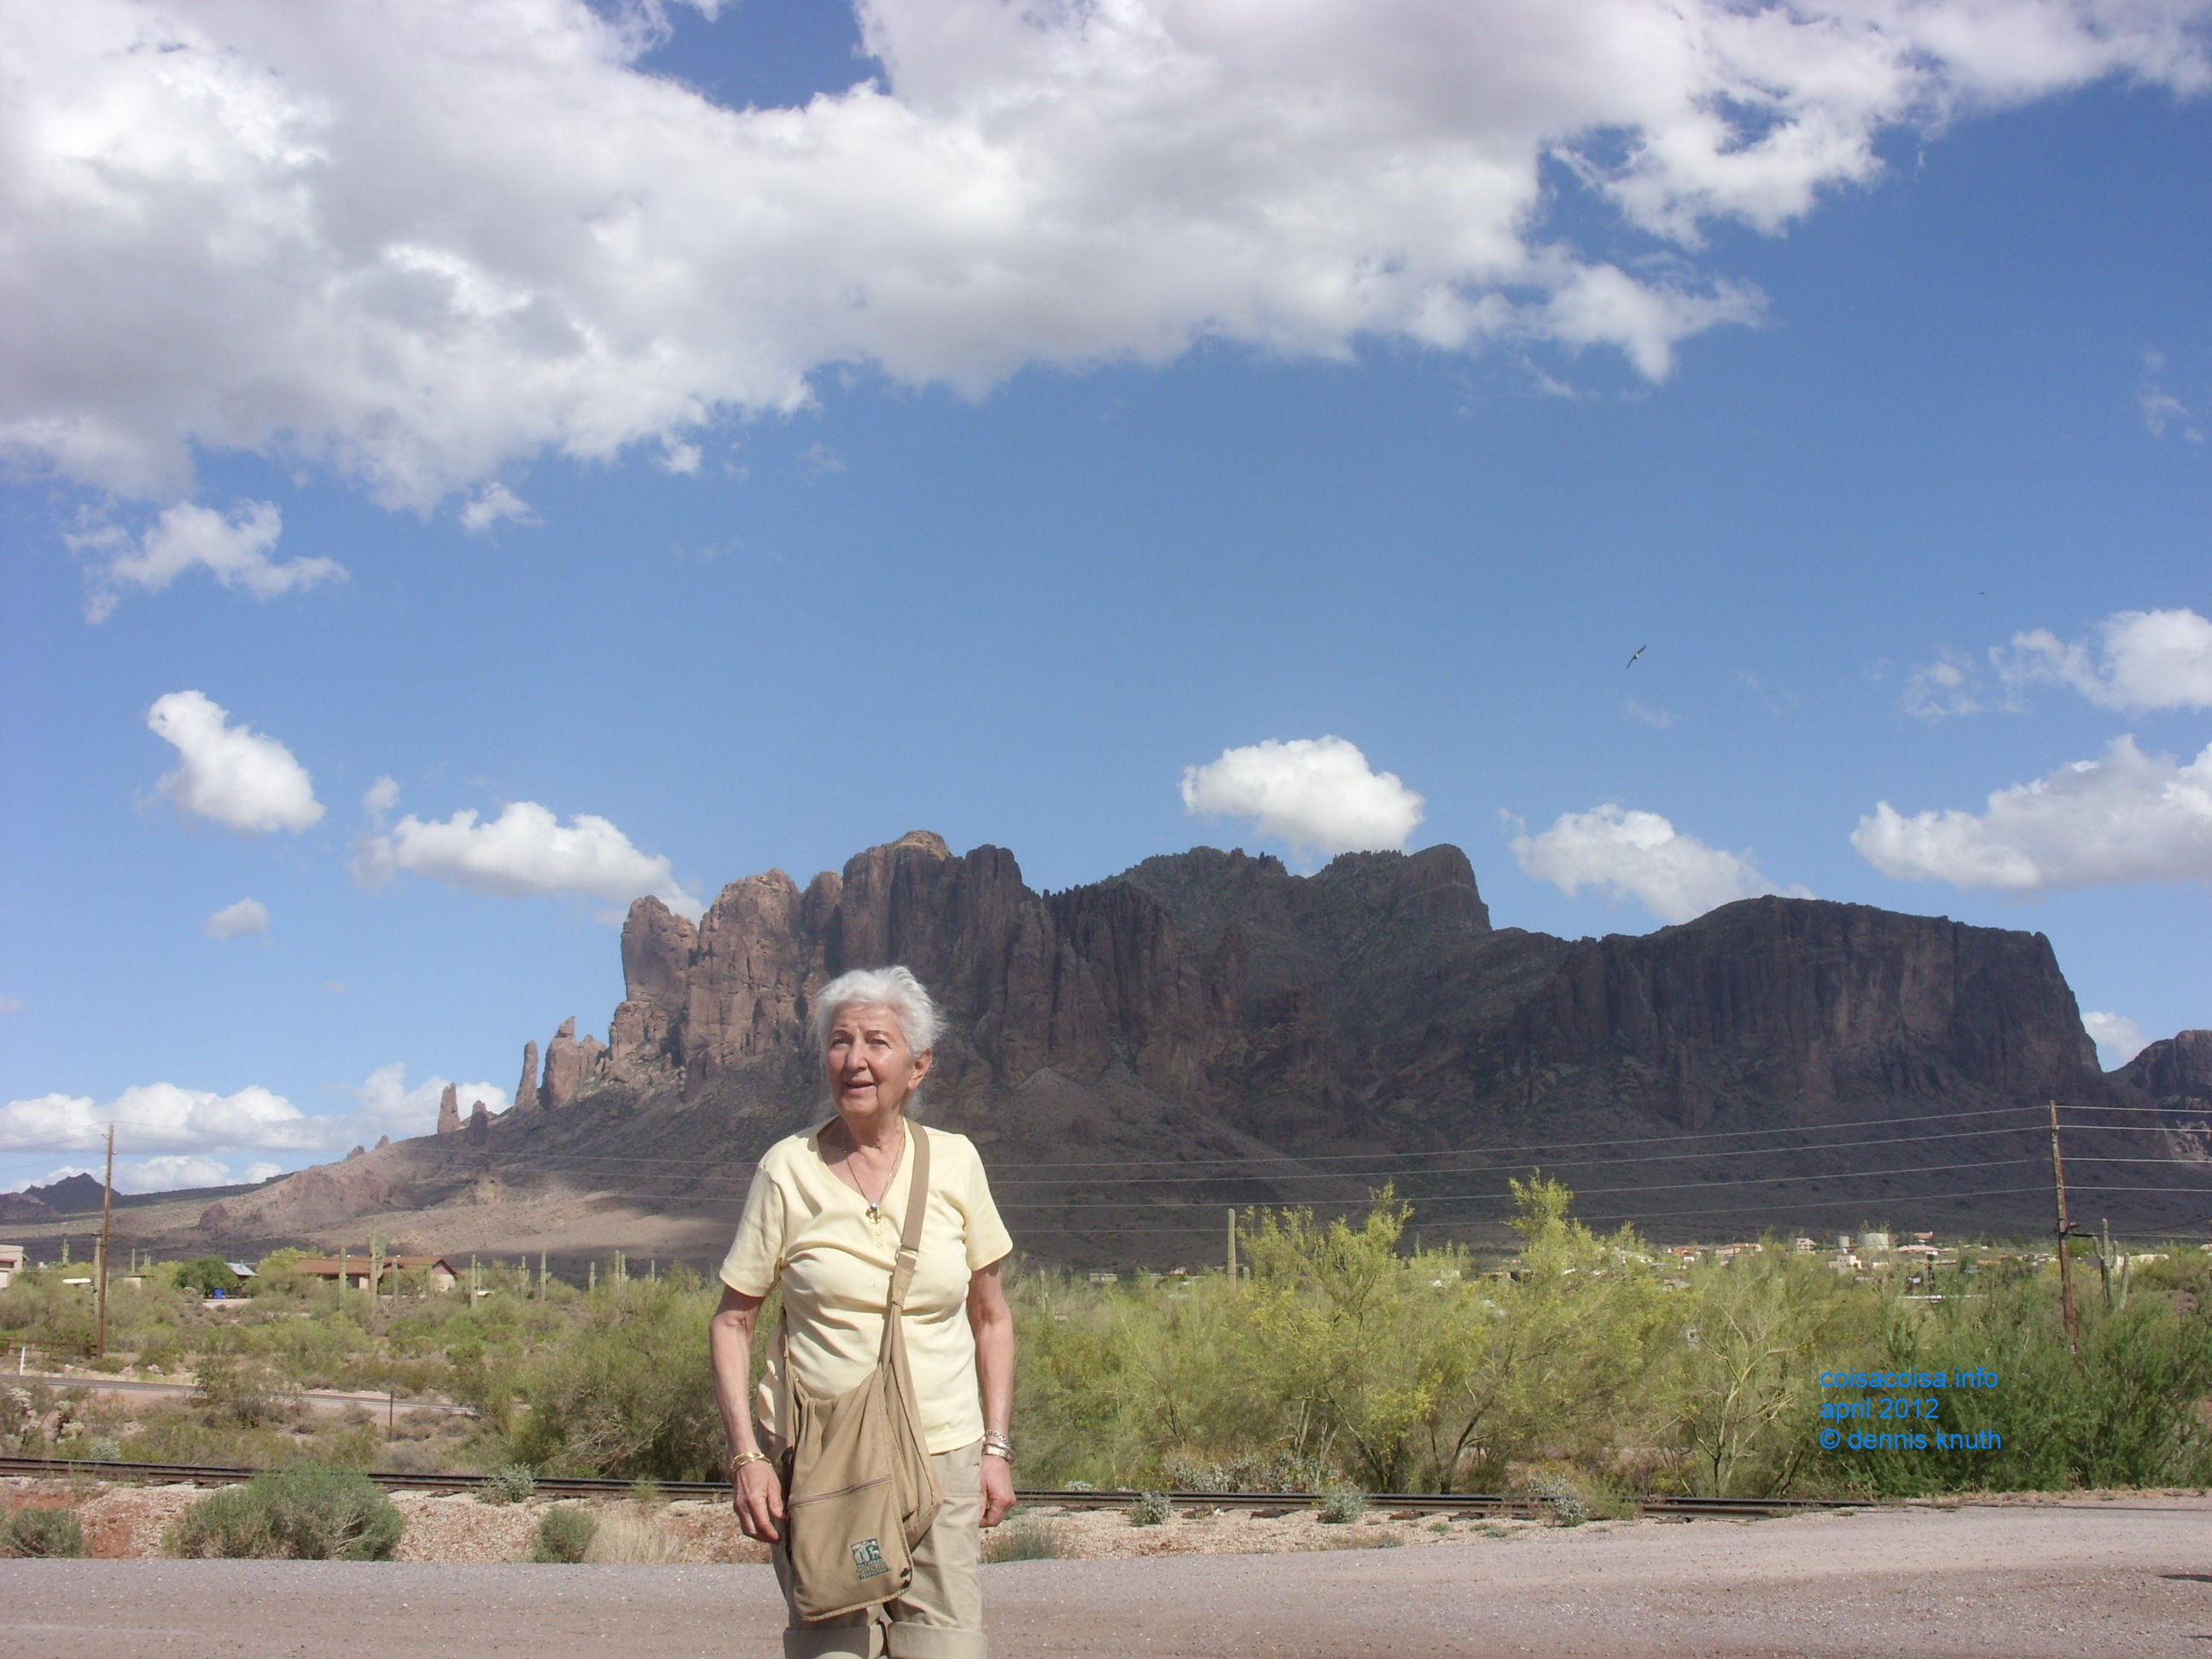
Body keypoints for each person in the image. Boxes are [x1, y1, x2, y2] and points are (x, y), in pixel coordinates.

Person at [710, 965, 1016, 1659]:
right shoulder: (785, 1170)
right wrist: (747, 1458)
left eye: (877, 1041)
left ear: (918, 1065)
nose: (855, 1060)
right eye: (840, 1041)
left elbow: (992, 1318)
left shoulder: (957, 1163)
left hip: (944, 1454)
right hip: (822, 1463)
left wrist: (995, 1448)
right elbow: (732, 1321)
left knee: (945, 1648)